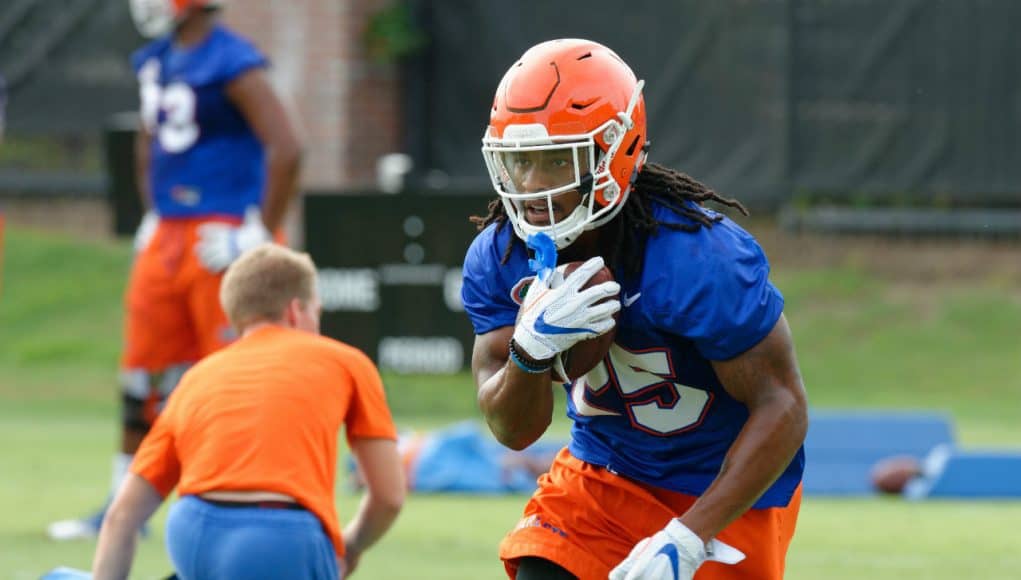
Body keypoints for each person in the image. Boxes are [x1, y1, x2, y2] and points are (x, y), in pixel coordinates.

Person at [462, 38, 808, 580]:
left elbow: (784, 406)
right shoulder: (502, 256)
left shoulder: (698, 257)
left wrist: (690, 536)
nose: (532, 187)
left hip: (719, 491)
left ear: (614, 152)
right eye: (520, 162)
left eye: (556, 160)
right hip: (602, 474)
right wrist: (528, 356)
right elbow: (514, 431)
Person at [48, 0, 302, 540]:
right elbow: (149, 143)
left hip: (223, 234)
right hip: (169, 232)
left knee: (236, 371)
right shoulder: (156, 59)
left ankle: (245, 499)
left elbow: (288, 147)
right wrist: (154, 210)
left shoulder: (232, 61)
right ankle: (125, 505)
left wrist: (257, 232)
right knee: (145, 372)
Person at [90, 243, 405, 579]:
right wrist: (352, 545)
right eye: (317, 311)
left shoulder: (198, 376)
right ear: (296, 311)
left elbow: (121, 516)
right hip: (283, 534)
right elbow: (389, 497)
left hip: (192, 529)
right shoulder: (348, 362)